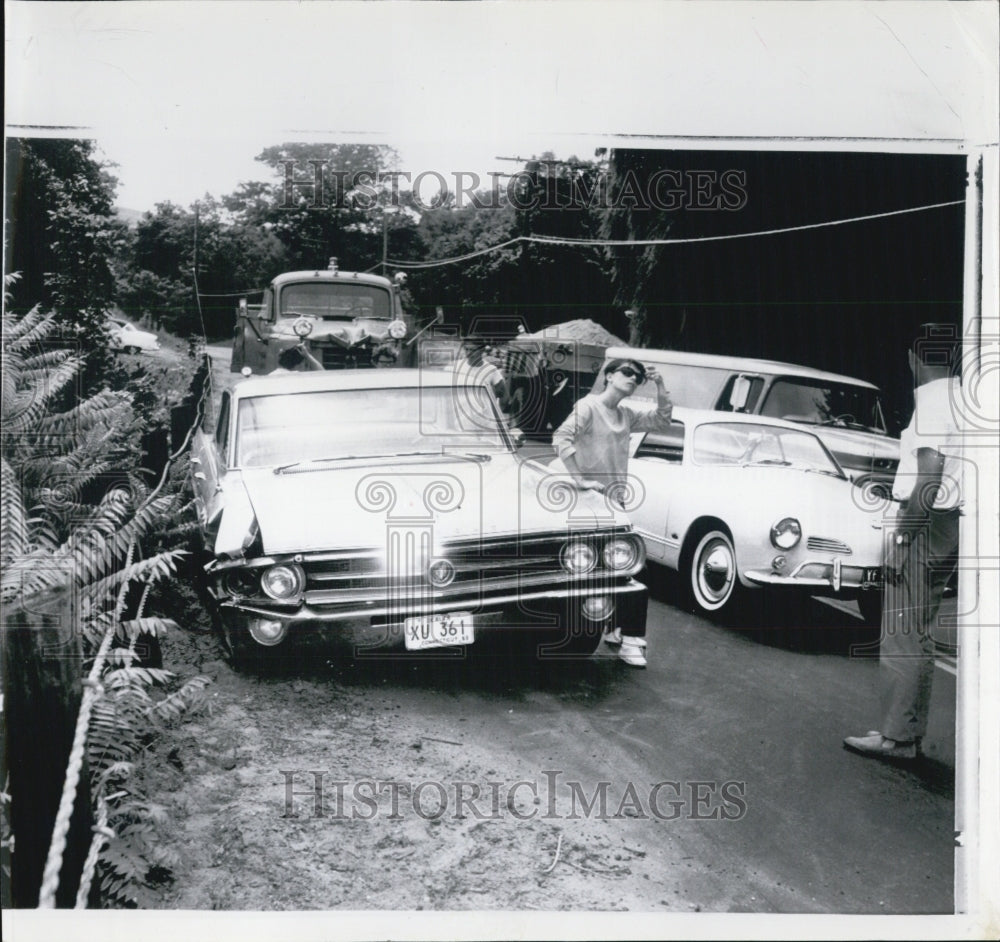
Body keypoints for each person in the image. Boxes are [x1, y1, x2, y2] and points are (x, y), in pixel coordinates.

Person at [844, 326, 963, 761]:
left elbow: (927, 479)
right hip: (949, 523)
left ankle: (897, 738)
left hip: (924, 523)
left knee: (901, 630)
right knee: (917, 631)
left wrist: (900, 537)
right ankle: (904, 730)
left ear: (914, 358)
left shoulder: (932, 401)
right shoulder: (964, 398)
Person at [551, 357, 673, 667]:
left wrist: (660, 385)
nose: (634, 379)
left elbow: (661, 420)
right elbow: (561, 437)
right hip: (587, 502)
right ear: (609, 376)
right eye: (627, 372)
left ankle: (618, 631)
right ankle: (630, 640)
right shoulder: (588, 406)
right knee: (628, 567)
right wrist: (580, 479)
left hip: (614, 503)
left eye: (639, 376)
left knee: (620, 566)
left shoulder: (625, 414)